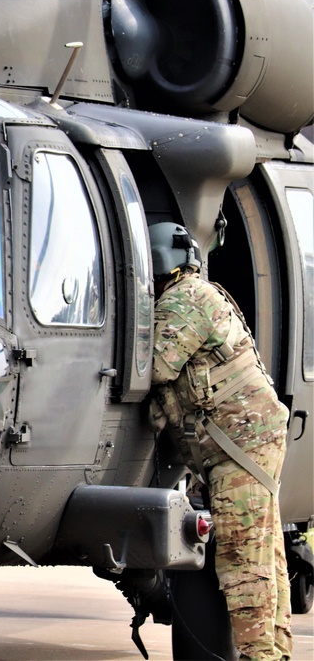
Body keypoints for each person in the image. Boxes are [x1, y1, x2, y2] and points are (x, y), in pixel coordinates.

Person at [148, 222, 292, 660]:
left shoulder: (185, 299)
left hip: (239, 448)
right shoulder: (199, 292)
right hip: (243, 445)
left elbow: (153, 366)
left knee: (243, 566)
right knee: (266, 560)